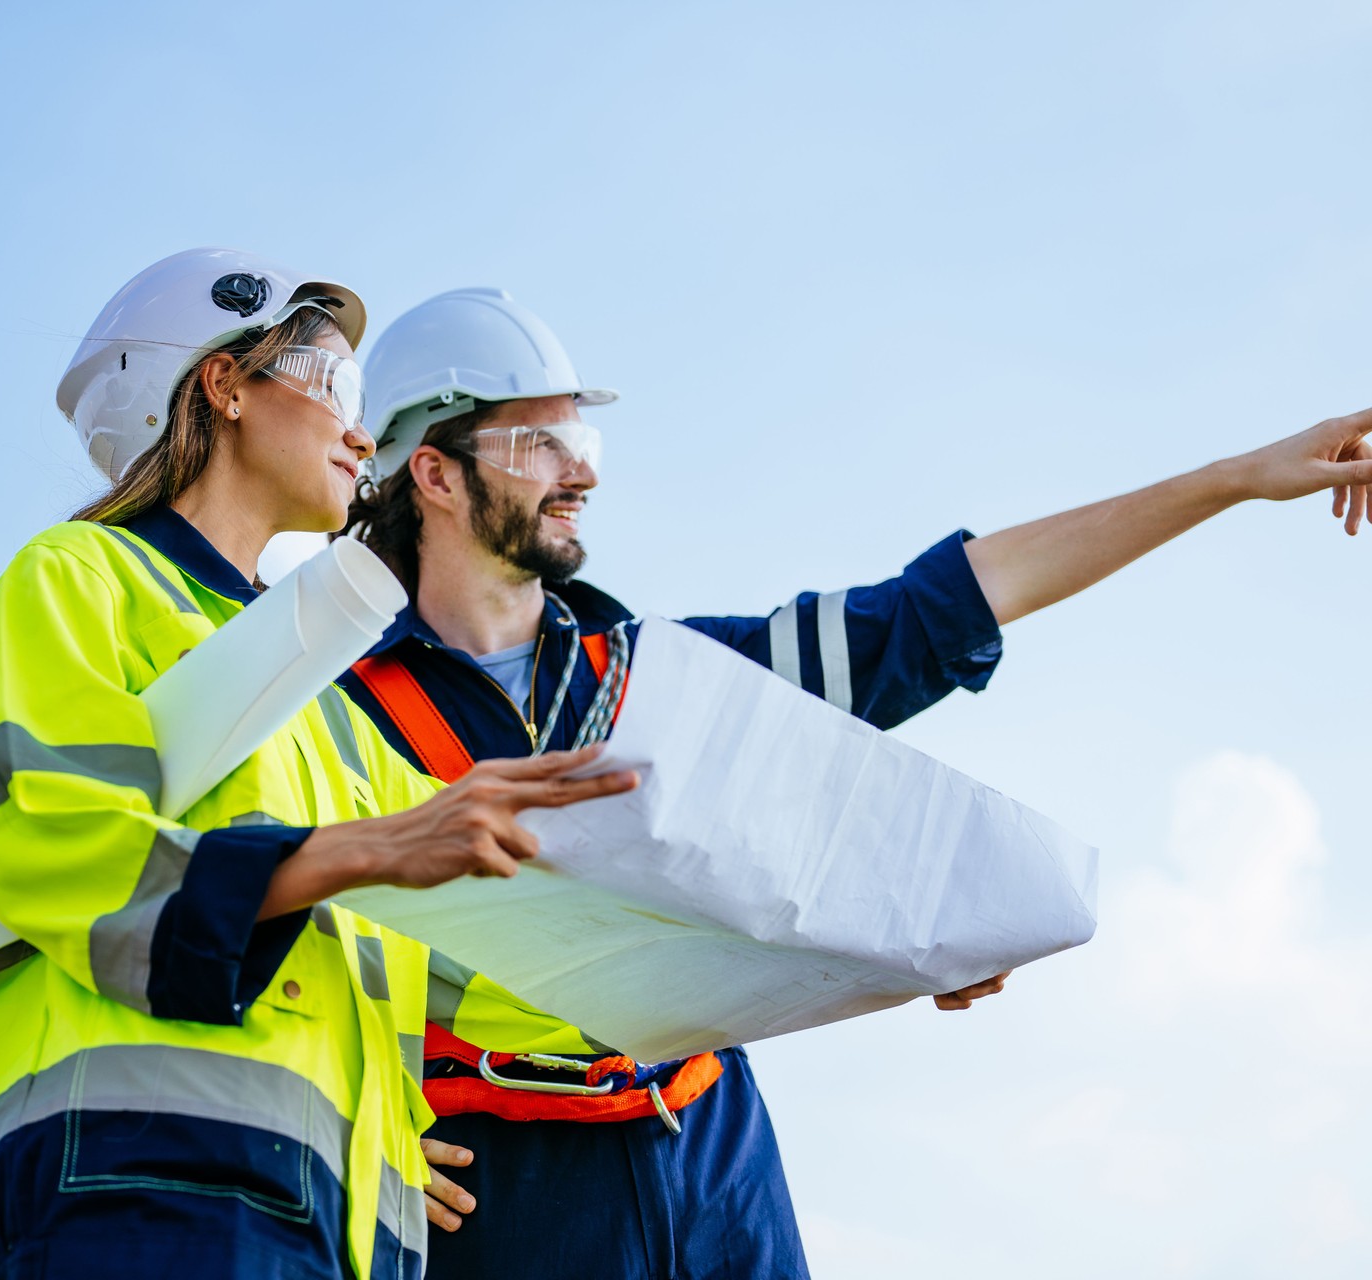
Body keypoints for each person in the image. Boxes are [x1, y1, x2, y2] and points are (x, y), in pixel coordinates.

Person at [336, 287, 1372, 1279]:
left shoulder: (669, 680)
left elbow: (945, 604)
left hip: (718, 1175)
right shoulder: (332, 709)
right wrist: (343, 1131)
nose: (582, 474)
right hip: (504, 1203)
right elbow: (245, 928)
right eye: (539, 444)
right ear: (433, 472)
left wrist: (1234, 478)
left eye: (583, 441)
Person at [0, 251, 638, 1280]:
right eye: (339, 384)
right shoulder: (80, 579)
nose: (363, 431)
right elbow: (50, 837)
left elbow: (507, 965)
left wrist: (839, 963)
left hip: (324, 1227)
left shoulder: (326, 706)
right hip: (137, 1191)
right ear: (223, 386)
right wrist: (359, 849)